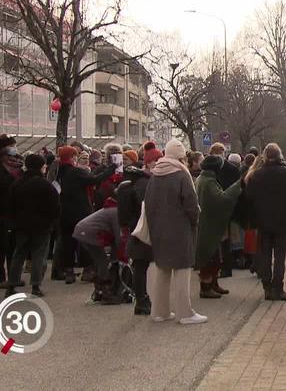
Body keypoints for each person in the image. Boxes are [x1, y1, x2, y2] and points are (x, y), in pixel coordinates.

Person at [144, 138, 205, 324]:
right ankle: (185, 313)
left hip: (158, 229)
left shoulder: (155, 175)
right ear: (181, 157)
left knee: (163, 268)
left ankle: (159, 311)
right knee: (182, 268)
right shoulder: (181, 175)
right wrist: (195, 221)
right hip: (180, 229)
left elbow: (148, 203)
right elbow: (191, 205)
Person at [243, 143, 286, 301]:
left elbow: (248, 198)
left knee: (265, 255)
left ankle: (267, 288)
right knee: (280, 256)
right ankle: (278, 288)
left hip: (262, 220)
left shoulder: (256, 175)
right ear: (280, 155)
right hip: (282, 220)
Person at [55, 146, 117, 285]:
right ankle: (87, 270)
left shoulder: (59, 172)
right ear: (72, 157)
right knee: (83, 241)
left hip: (64, 212)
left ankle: (69, 271)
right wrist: (110, 169)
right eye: (75, 156)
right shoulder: (76, 172)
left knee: (67, 243)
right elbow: (94, 179)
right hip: (80, 210)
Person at [116, 145, 158, 316]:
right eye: (156, 161)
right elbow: (144, 206)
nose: (159, 164)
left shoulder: (143, 179)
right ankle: (142, 300)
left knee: (141, 264)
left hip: (139, 227)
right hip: (141, 228)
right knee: (141, 265)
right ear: (148, 163)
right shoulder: (144, 182)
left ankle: (143, 299)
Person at [194, 154, 239, 298]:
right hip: (209, 224)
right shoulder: (208, 182)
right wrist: (237, 186)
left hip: (207, 223)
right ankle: (206, 287)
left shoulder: (203, 179)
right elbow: (222, 199)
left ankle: (213, 283)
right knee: (209, 257)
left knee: (215, 256)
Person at [73, 198, 124, 305]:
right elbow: (118, 238)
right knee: (103, 262)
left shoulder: (110, 210)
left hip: (81, 230)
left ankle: (99, 290)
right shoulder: (116, 212)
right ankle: (105, 292)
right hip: (88, 233)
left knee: (99, 261)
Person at [0, 135, 23, 288]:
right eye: (12, 146)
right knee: (1, 245)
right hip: (1, 209)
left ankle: (13, 275)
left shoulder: (16, 163)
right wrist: (12, 176)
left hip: (14, 208)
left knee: (13, 245)